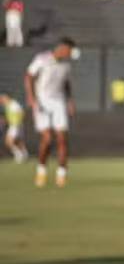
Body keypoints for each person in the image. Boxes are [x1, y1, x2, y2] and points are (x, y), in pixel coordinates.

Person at [26, 38, 78, 188]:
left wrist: (70, 101)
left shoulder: (67, 65)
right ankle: (41, 170)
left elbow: (67, 84)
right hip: (42, 102)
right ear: (62, 48)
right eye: (69, 50)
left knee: (62, 138)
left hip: (59, 102)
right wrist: (31, 97)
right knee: (47, 138)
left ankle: (61, 175)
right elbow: (29, 76)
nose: (70, 54)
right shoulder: (42, 59)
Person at [2, 93, 29, 162]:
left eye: (3, 98)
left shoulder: (14, 104)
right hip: (15, 125)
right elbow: (10, 116)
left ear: (7, 97)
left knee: (8, 141)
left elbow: (22, 113)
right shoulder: (8, 105)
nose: (1, 100)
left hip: (15, 125)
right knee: (18, 141)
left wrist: (18, 123)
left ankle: (19, 155)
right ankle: (25, 155)